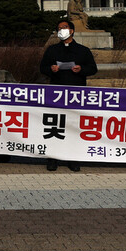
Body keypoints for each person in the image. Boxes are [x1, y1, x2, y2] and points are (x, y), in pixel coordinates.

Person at [40, 19, 98, 171]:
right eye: (59, 28)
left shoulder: (83, 50)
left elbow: (93, 68)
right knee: (55, 125)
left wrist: (81, 69)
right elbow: (42, 67)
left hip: (76, 92)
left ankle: (73, 158)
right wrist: (50, 69)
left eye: (64, 28)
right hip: (56, 92)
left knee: (73, 125)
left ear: (72, 31)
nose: (61, 30)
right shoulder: (52, 50)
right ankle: (53, 158)